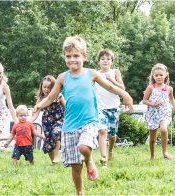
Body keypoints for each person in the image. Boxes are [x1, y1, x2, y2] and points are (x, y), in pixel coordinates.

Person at [34, 35, 133, 195]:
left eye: (76, 56)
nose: (72, 59)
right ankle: (80, 192)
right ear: (64, 57)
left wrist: (125, 95)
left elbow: (109, 86)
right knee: (75, 166)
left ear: (84, 57)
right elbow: (51, 97)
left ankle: (89, 160)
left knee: (84, 147)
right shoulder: (62, 77)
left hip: (89, 121)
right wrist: (39, 105)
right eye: (68, 56)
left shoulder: (91, 74)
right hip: (69, 126)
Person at [143, 63, 175, 160]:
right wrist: (153, 104)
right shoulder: (151, 88)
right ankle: (152, 155)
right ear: (153, 76)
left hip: (165, 112)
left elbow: (172, 99)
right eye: (156, 75)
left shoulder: (169, 88)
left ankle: (165, 152)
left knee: (164, 129)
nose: (159, 77)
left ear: (165, 75)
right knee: (152, 139)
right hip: (152, 114)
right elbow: (144, 100)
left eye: (161, 75)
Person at [95, 49, 125, 168]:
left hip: (113, 108)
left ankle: (110, 150)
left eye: (108, 59)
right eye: (102, 59)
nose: (105, 61)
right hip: (100, 108)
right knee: (102, 131)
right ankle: (103, 158)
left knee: (112, 135)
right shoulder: (96, 74)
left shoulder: (115, 72)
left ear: (112, 61)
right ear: (99, 62)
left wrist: (111, 80)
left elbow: (122, 88)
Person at [30, 75, 65, 164]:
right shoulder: (40, 98)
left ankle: (57, 156)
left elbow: (66, 107)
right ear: (41, 87)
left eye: (49, 87)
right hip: (47, 121)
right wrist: (28, 121)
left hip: (59, 119)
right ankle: (54, 162)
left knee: (56, 132)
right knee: (48, 144)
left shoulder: (58, 96)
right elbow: (36, 114)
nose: (46, 89)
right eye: (44, 87)